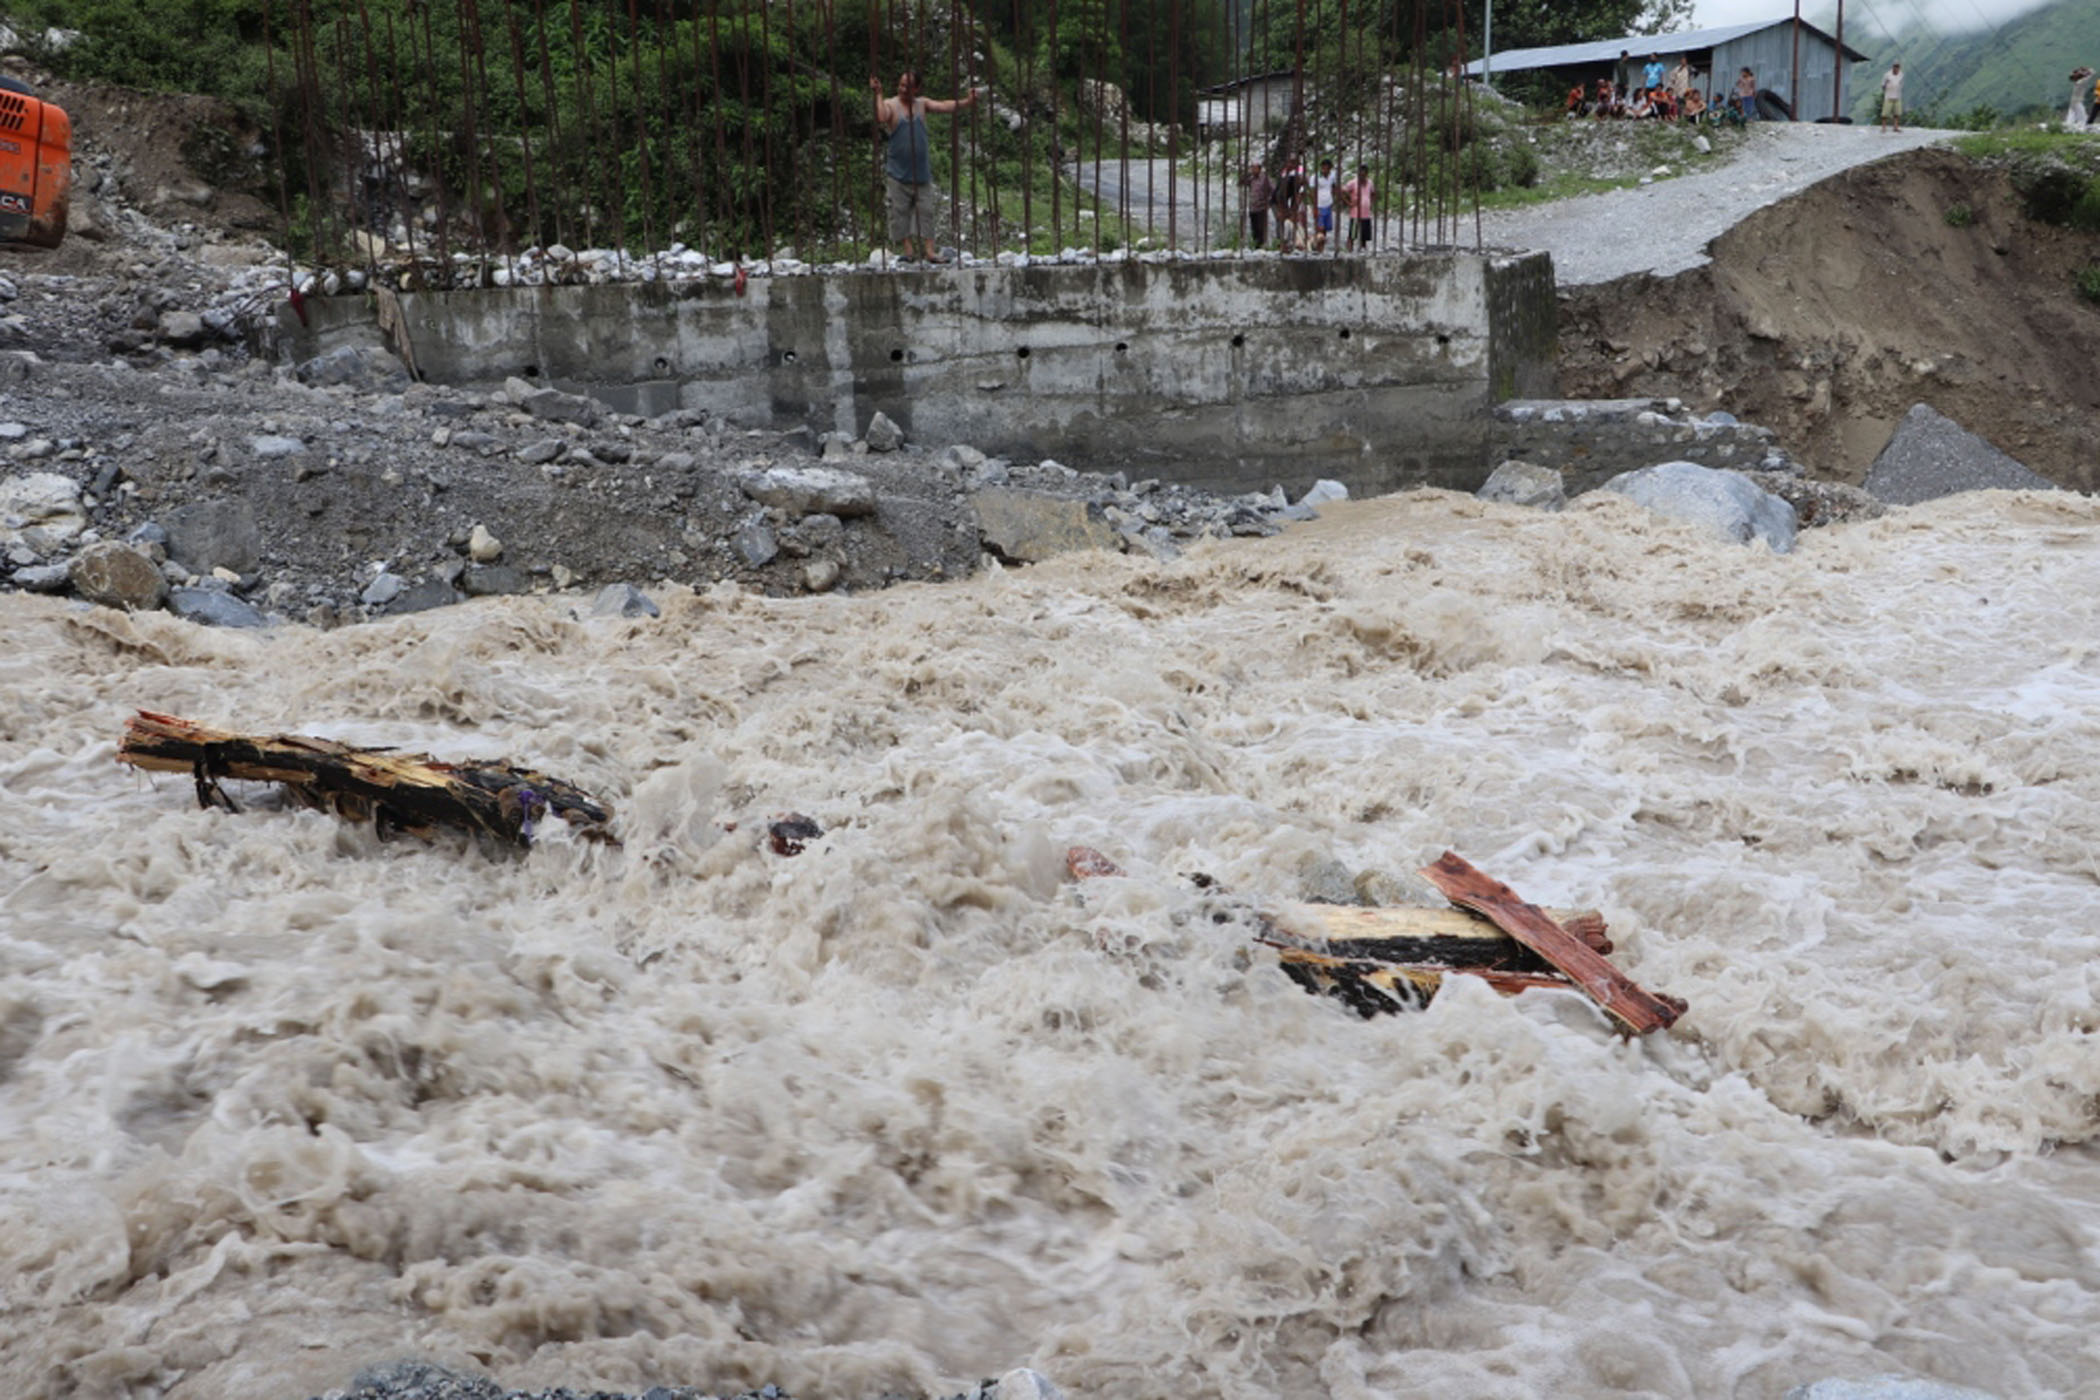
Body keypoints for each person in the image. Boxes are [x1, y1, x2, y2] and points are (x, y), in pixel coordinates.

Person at [871, 70, 979, 264]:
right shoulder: (891, 104)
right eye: (901, 85)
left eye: (908, 86)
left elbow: (945, 105)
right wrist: (878, 93)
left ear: (917, 88)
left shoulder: (922, 105)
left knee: (926, 212)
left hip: (921, 173)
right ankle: (909, 251)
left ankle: (930, 252)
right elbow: (881, 116)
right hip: (897, 172)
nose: (903, 89)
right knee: (899, 212)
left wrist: (966, 102)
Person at [1341, 163, 1374, 250]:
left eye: (1364, 174)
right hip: (1355, 214)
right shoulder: (1353, 183)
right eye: (1361, 174)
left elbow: (1373, 193)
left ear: (1366, 173)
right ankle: (1349, 251)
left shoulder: (1370, 182)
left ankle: (1362, 252)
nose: (1362, 176)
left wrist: (1371, 203)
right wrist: (1349, 203)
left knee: (1364, 237)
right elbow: (1342, 191)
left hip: (1366, 214)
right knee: (1352, 235)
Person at [1242, 161, 1274, 248]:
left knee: (1261, 228)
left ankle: (1262, 245)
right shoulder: (1251, 179)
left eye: (1254, 168)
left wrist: (1269, 201)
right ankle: (1256, 246)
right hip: (1253, 207)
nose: (1252, 170)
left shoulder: (1265, 179)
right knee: (1254, 228)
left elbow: (1273, 190)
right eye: (1251, 168)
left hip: (1262, 207)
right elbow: (1241, 182)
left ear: (1259, 169)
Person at [1313, 158, 1337, 252]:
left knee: (1325, 229)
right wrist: (1314, 207)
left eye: (1327, 168)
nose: (1325, 170)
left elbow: (1334, 187)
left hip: (1328, 205)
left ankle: (1321, 249)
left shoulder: (1332, 176)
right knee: (1320, 228)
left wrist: (1333, 198)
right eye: (1323, 168)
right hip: (1319, 205)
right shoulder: (1315, 177)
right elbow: (1313, 192)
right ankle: (1317, 247)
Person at [1879, 62, 1904, 133]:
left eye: (1898, 67)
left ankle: (1895, 127)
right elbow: (1883, 85)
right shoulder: (1887, 75)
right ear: (1893, 67)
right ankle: (1883, 128)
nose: (1896, 69)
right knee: (1885, 114)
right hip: (1889, 96)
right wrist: (1886, 89)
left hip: (1897, 96)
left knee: (1897, 113)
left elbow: (1901, 84)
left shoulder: (1901, 74)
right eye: (1895, 67)